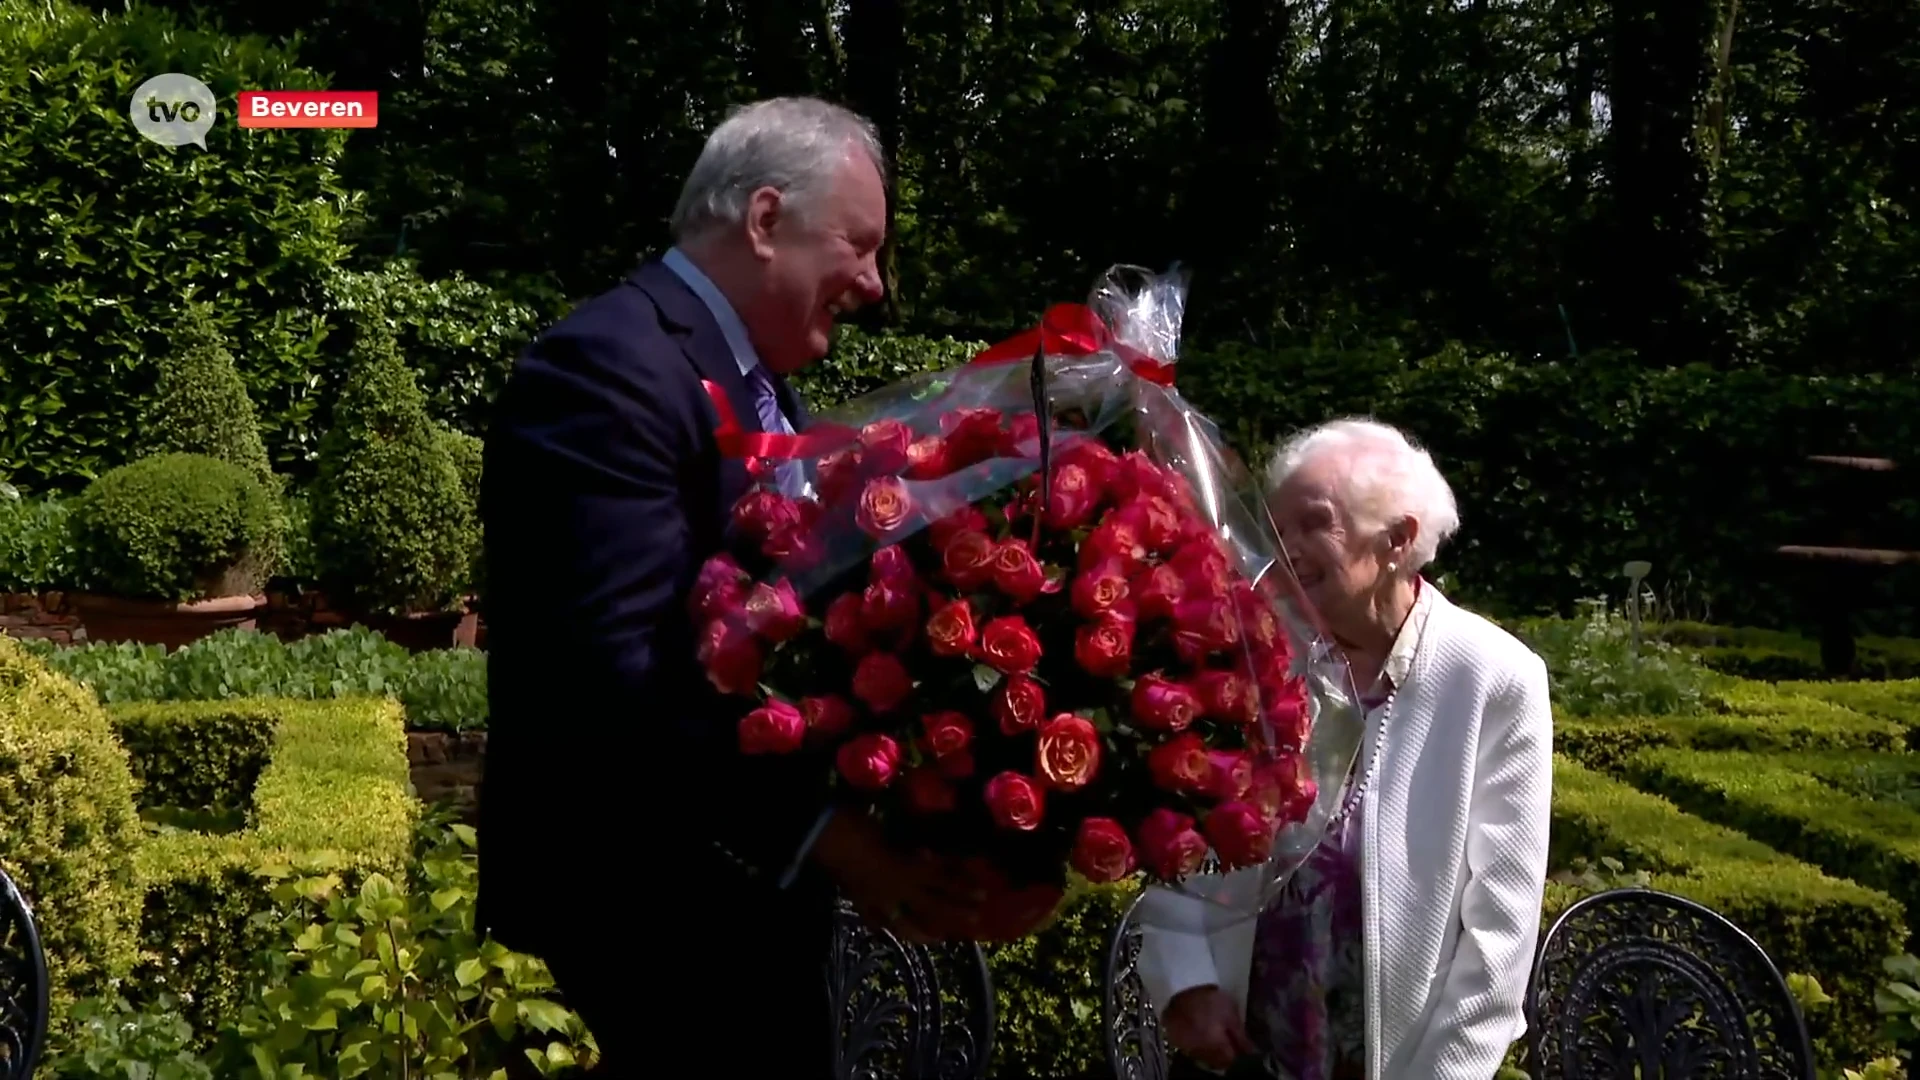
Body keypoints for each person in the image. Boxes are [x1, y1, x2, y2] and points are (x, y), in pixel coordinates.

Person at [477, 97, 986, 1077]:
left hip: (737, 899)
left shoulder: (754, 383)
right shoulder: (609, 370)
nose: (876, 284)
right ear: (764, 221)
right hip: (650, 907)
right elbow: (619, 676)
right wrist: (826, 835)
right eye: (860, 245)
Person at [1136, 418, 1553, 1079]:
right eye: (1278, 527)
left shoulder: (1493, 677)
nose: (1286, 548)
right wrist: (1184, 982)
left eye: (1314, 523)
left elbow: (1500, 936)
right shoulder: (1251, 654)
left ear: (1398, 540)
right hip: (1242, 1051)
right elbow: (1180, 845)